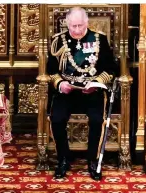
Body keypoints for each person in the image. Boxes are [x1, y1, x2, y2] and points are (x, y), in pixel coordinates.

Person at [47, 7, 117, 181]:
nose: (76, 30)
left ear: (87, 23)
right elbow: (51, 70)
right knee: (56, 119)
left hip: (92, 92)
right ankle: (63, 158)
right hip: (67, 91)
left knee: (96, 120)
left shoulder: (99, 39)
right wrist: (60, 83)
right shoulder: (58, 42)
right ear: (67, 24)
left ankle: (92, 160)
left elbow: (110, 69)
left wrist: (97, 83)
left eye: (80, 25)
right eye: (73, 26)